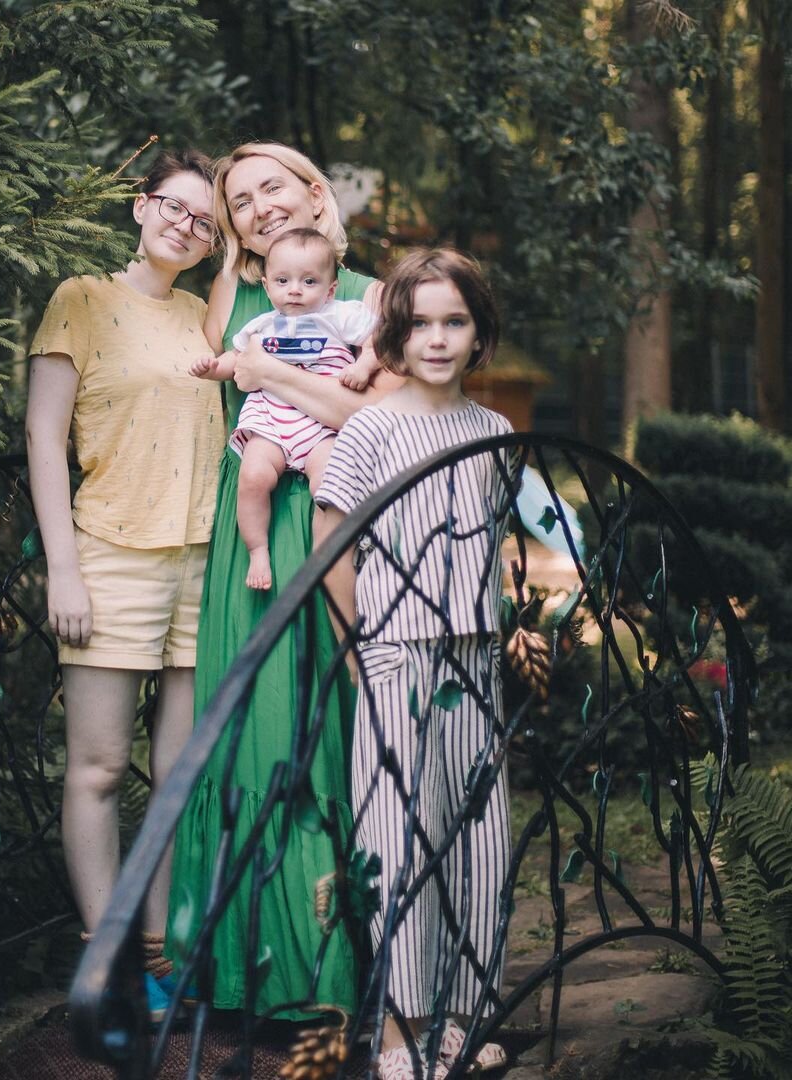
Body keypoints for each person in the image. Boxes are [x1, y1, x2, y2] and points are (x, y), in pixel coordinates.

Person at [166, 142, 403, 1021]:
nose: (260, 206)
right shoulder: (234, 293)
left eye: (273, 187)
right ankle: (243, 973)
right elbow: (202, 388)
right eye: (241, 200)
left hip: (338, 516)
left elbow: (379, 411)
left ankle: (343, 976)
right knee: (257, 732)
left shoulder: (368, 295)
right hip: (253, 533)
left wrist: (271, 374)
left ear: (312, 193)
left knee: (331, 730)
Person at [24, 149, 225, 1018]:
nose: (187, 226)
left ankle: (158, 952)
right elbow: (43, 437)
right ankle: (104, 965)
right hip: (109, 555)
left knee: (177, 774)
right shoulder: (81, 298)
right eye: (175, 207)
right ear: (141, 206)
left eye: (205, 222)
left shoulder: (203, 317)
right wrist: (63, 568)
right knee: (101, 767)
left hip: (202, 562)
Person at [314, 247, 514, 1079]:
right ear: (395, 334)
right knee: (400, 839)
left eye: (454, 322)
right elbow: (332, 542)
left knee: (478, 840)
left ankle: (463, 1015)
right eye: (421, 323)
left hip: (475, 658)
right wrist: (356, 648)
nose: (437, 339)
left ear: (477, 333)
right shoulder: (372, 427)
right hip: (396, 653)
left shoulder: (495, 432)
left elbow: (494, 540)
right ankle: (401, 1029)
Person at [189, 227, 379, 590]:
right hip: (272, 420)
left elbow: (377, 342)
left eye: (309, 281)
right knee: (252, 476)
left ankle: (338, 552)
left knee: (330, 482)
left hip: (320, 424)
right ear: (267, 286)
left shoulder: (339, 315)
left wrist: (363, 366)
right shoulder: (263, 324)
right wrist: (214, 368)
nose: (295, 289)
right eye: (283, 280)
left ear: (330, 289)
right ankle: (258, 550)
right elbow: (236, 358)